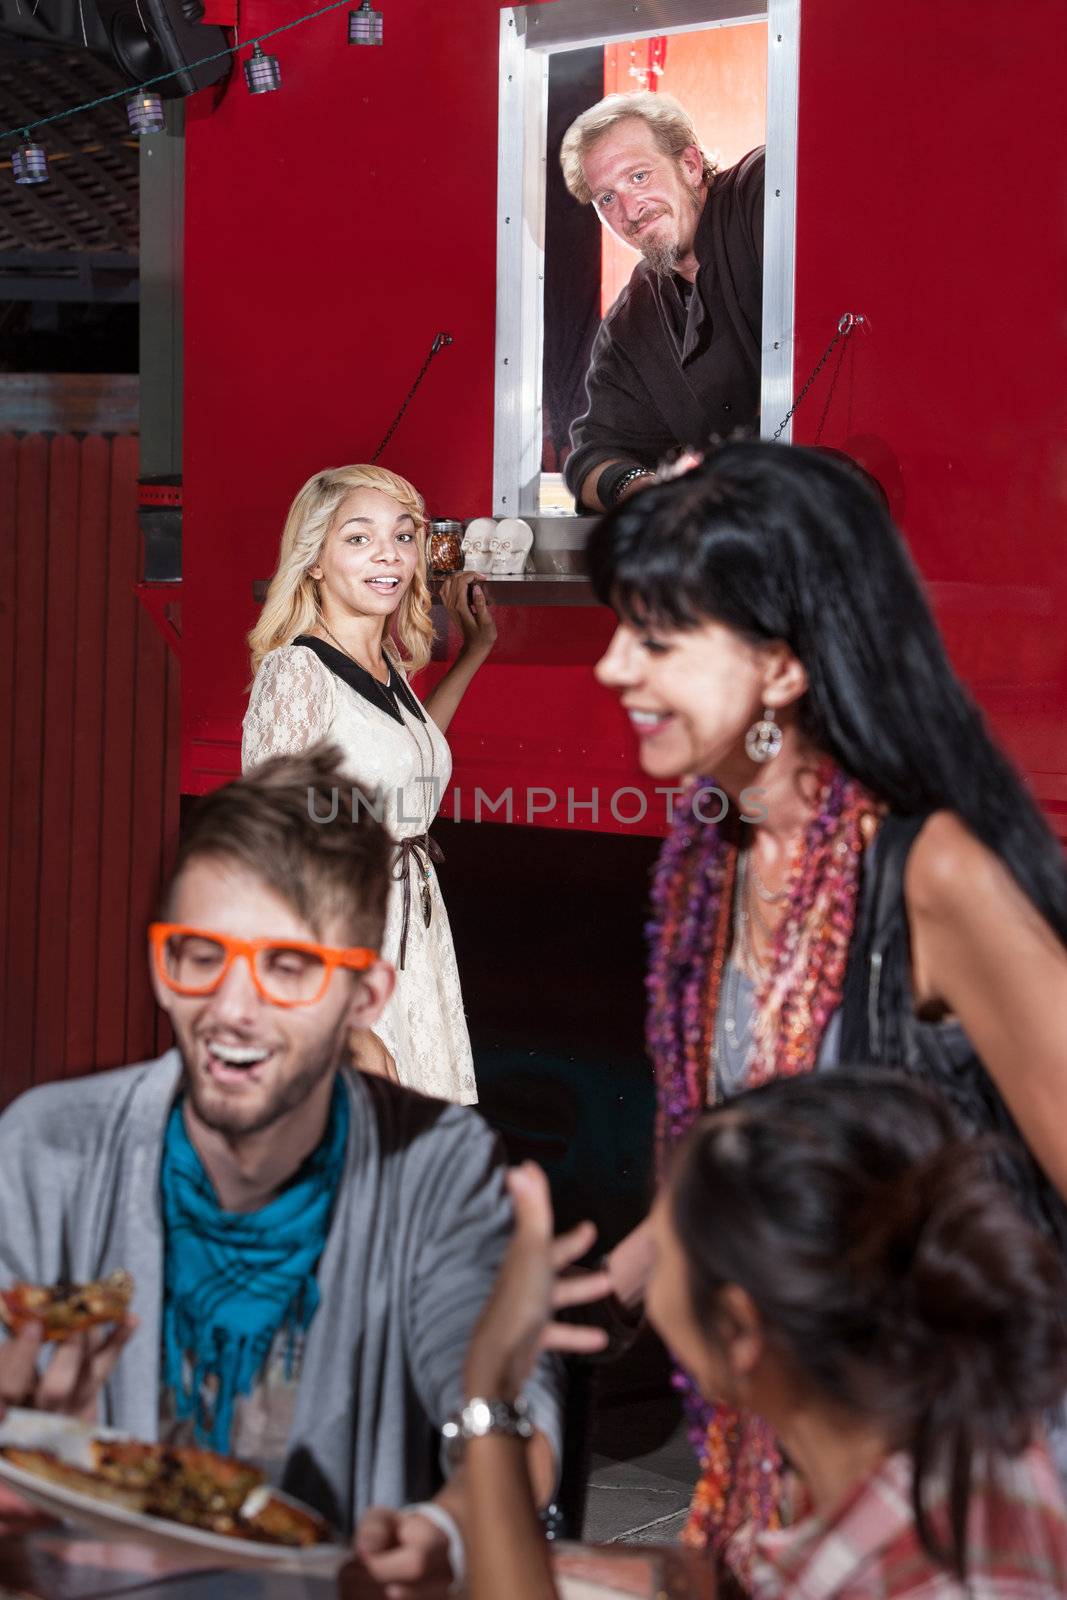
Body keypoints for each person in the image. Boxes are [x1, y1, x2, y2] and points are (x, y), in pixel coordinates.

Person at [584, 442, 1067, 1555]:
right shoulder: (718, 863)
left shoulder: (929, 875)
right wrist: (592, 1282)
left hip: (969, 1465)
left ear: (782, 668)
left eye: (655, 639)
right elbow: (740, 1139)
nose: (613, 668)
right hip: (804, 1449)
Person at [0, 749, 562, 1600]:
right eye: (197, 954)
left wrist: (443, 1529)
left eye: (287, 969)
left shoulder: (437, 1167)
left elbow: (521, 1425)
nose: (230, 1008)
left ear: (367, 997)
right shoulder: (50, 1149)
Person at [460, 1074, 1067, 1598]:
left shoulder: (923, 1576)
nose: (644, 1274)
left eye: (664, 1251)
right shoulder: (959, 1445)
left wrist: (491, 1385)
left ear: (739, 1329)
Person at [243, 464, 496, 1105]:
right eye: (358, 538)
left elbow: (406, 755)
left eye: (404, 536)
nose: (389, 554)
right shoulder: (296, 671)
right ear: (316, 561)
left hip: (409, 931)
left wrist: (473, 652)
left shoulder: (383, 664)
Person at [559, 92, 763, 512]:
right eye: (607, 198)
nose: (630, 211)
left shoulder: (762, 193)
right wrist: (639, 487)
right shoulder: (631, 321)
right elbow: (591, 458)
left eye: (638, 177)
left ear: (689, 165)